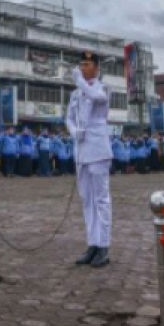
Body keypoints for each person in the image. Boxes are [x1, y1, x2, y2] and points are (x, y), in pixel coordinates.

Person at [66, 50, 112, 269]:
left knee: (101, 199)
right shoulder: (76, 94)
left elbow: (97, 97)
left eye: (87, 64)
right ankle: (92, 243)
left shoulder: (101, 87)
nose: (83, 68)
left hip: (98, 149)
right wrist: (73, 131)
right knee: (86, 199)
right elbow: (68, 118)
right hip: (81, 151)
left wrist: (79, 82)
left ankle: (103, 246)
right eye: (81, 64)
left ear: (96, 68)